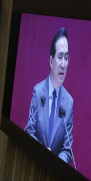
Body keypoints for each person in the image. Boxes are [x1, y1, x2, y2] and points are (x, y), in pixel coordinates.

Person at [25, 27, 74, 166]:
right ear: (51, 61)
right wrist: (40, 152)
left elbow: (67, 149)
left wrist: (55, 162)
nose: (64, 64)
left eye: (66, 57)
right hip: (34, 164)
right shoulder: (38, 91)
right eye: (60, 57)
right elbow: (30, 132)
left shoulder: (69, 102)